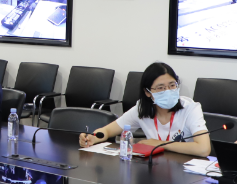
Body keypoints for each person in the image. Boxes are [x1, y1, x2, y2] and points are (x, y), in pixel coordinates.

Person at [80, 62, 210, 157]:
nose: (168, 91)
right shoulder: (142, 109)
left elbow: (203, 149)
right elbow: (108, 131)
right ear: (148, 92)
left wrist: (158, 143)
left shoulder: (191, 108)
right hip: (155, 166)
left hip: (186, 169)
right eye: (160, 88)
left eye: (172, 85)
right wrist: (93, 138)